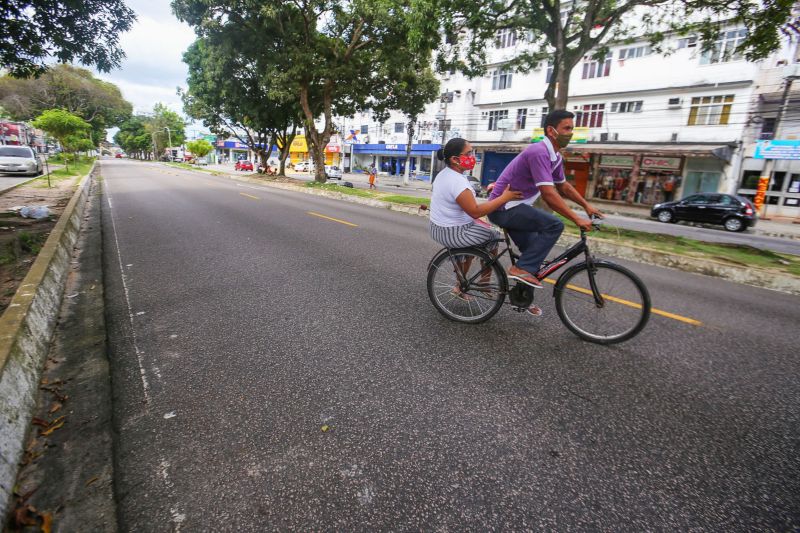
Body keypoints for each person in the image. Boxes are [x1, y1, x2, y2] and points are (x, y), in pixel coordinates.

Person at [487, 110, 604, 289]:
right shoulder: (539, 152)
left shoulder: (555, 157)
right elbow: (548, 194)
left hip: (516, 207)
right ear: (551, 130)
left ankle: (522, 298)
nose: (570, 133)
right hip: (503, 208)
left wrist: (586, 206)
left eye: (572, 128)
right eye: (566, 128)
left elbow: (564, 186)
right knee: (555, 225)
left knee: (533, 255)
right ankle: (520, 269)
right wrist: (576, 219)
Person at [430, 138, 529, 305]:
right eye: (468, 153)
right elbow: (474, 211)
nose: (472, 156)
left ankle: (461, 284)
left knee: (480, 236)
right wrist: (505, 197)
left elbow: (464, 207)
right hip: (453, 232)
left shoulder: (444, 174)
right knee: (493, 235)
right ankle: (484, 282)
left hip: (439, 227)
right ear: (455, 159)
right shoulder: (458, 181)